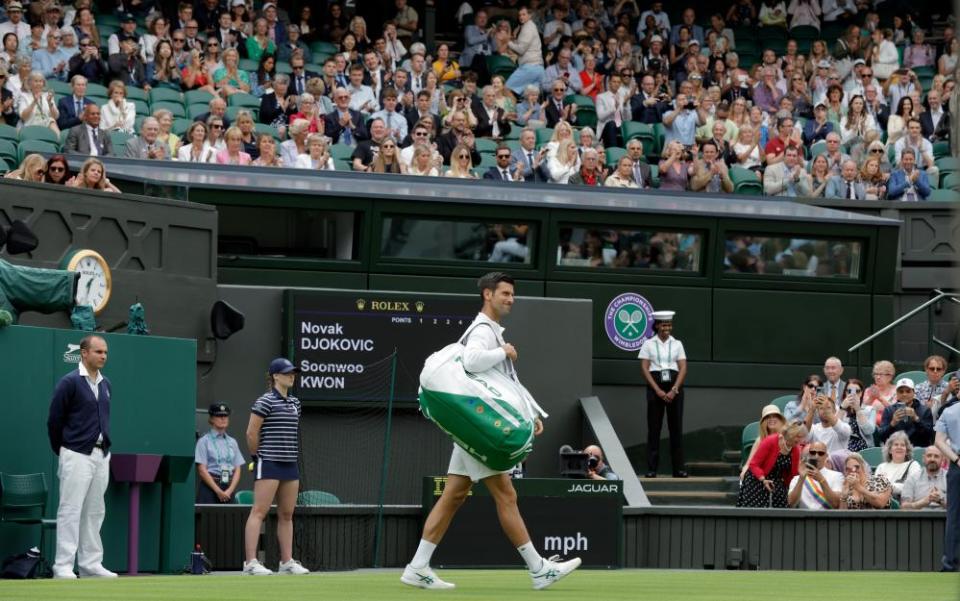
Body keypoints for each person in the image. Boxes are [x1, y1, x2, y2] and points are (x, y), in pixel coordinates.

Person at [402, 272, 577, 590]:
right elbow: (471, 362)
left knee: (454, 494)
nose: (510, 299)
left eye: (512, 294)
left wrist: (530, 412)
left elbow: (499, 385)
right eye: (505, 293)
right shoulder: (483, 330)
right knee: (506, 495)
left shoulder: (490, 329)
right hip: (480, 431)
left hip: (473, 430)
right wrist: (504, 352)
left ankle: (417, 567)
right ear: (488, 294)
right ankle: (539, 569)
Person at [46, 335, 117, 579]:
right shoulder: (69, 382)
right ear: (84, 353)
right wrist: (65, 450)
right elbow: (54, 421)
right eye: (98, 351)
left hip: (101, 455)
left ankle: (90, 564)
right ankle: (63, 566)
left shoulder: (106, 384)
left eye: (105, 352)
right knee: (70, 509)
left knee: (95, 511)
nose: (103, 356)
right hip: (75, 453)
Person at [242, 357, 310, 576]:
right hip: (269, 462)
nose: (292, 376)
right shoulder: (264, 401)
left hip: (290, 464)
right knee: (259, 511)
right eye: (288, 372)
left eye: (293, 373)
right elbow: (251, 433)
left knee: (287, 514)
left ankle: (286, 562)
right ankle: (250, 563)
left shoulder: (295, 403)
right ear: (275, 376)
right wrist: (258, 456)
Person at [639, 310, 688, 478]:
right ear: (657, 325)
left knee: (676, 428)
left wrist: (674, 389)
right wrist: (657, 390)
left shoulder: (677, 344)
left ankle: (678, 469)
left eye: (670, 325)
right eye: (664, 324)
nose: (668, 328)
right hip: (655, 384)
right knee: (654, 429)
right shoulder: (648, 344)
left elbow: (683, 368)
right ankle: (652, 469)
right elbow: (645, 368)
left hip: (675, 385)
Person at [738, 423, 807, 508]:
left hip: (777, 482)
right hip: (757, 479)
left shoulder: (796, 449)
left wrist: (791, 487)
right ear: (791, 435)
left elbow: (793, 474)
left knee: (783, 508)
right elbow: (754, 465)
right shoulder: (771, 441)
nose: (800, 440)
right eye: (798, 437)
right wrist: (763, 480)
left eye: (802, 437)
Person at [195, 403, 245, 503]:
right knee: (207, 518)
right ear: (211, 419)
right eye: (219, 416)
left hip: (228, 488)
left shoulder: (232, 442)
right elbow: (202, 470)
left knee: (229, 518)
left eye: (225, 416)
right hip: (210, 487)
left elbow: (238, 469)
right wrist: (218, 491)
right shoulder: (204, 441)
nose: (223, 418)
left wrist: (230, 490)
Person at [878, 378, 934, 447]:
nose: (904, 394)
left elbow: (929, 436)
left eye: (908, 391)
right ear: (897, 394)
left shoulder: (925, 410)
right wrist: (893, 423)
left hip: (917, 449)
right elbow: (881, 436)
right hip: (896, 449)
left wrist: (916, 419)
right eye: (901, 392)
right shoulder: (889, 410)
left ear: (913, 393)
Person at [787, 441, 843, 509]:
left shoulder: (837, 476)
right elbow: (791, 503)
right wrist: (801, 479)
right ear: (809, 455)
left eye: (821, 453)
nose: (816, 456)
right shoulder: (797, 478)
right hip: (804, 518)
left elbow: (836, 504)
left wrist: (821, 480)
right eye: (813, 452)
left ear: (826, 456)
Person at [740, 405, 786, 480]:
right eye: (768, 417)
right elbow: (750, 463)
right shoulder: (760, 440)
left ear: (780, 419)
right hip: (762, 476)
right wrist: (744, 471)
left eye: (774, 416)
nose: (771, 419)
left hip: (781, 476)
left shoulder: (785, 437)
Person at [875, 431, 923, 502]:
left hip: (904, 505)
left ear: (906, 451)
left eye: (903, 445)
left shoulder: (913, 465)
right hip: (882, 502)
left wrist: (891, 487)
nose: (899, 447)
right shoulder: (881, 467)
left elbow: (913, 487)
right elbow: (876, 487)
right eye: (896, 445)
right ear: (890, 450)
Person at [900, 446, 948, 511]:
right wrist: (923, 502)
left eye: (936, 456)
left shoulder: (950, 478)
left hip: (946, 519)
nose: (932, 459)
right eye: (929, 456)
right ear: (923, 458)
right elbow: (904, 507)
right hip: (919, 519)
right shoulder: (913, 478)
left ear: (942, 460)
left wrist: (941, 501)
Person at [915, 355, 952, 420]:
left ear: (943, 371)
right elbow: (915, 408)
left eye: (938, 369)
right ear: (926, 370)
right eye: (932, 369)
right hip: (922, 422)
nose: (935, 371)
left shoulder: (950, 388)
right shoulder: (918, 388)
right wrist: (924, 407)